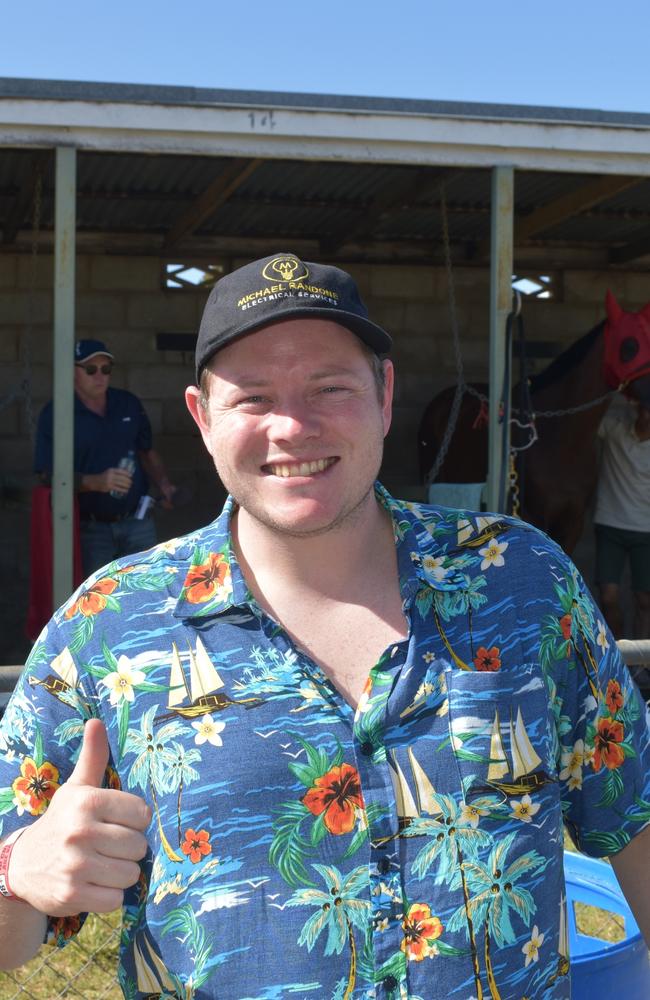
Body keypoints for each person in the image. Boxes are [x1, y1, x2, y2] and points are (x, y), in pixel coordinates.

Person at [0, 254, 648, 999]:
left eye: (330, 388)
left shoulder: (523, 581)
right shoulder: (107, 624)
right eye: (253, 397)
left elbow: (635, 821)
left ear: (384, 395)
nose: (293, 427)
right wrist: (19, 873)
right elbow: (11, 939)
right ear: (201, 418)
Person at [33, 339, 177, 576]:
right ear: (72, 373)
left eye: (105, 369)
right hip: (90, 528)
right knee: (97, 602)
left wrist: (164, 485)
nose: (99, 376)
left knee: (147, 592)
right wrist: (94, 482)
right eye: (90, 370)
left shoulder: (127, 403)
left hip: (137, 520)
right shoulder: (56, 413)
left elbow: (146, 451)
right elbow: (45, 474)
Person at [593, 395, 650, 640]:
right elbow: (590, 412)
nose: (648, 418)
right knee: (607, 596)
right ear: (638, 408)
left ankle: (643, 663)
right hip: (610, 523)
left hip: (646, 529)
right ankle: (619, 657)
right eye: (646, 410)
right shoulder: (615, 427)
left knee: (645, 600)